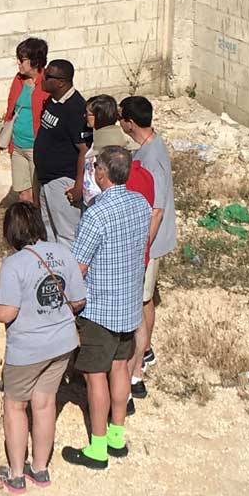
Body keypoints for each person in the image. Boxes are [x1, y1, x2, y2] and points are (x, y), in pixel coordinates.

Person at [0, 202, 85, 493]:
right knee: (44, 404)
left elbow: (6, 313)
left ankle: (16, 473)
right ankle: (40, 469)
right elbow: (78, 301)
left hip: (27, 348)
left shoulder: (14, 265)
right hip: (62, 343)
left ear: (10, 232)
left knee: (16, 406)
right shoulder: (63, 253)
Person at [62, 146, 151, 470]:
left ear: (102, 173)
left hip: (99, 309)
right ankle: (116, 436)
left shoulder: (96, 213)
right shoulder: (140, 204)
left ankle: (97, 449)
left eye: (95, 166)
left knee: (94, 375)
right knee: (119, 368)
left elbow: (79, 267)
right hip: (128, 305)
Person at [119, 96, 177, 404]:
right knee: (146, 301)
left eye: (121, 119)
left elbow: (156, 209)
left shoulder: (151, 157)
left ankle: (136, 371)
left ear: (129, 122)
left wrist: (141, 249)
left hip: (149, 242)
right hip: (151, 241)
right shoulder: (150, 147)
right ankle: (141, 360)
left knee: (141, 306)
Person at [33, 59, 88, 246]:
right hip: (46, 179)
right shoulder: (53, 101)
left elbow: (84, 150)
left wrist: (78, 187)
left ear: (61, 82)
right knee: (48, 232)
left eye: (48, 76)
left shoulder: (76, 108)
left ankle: (71, 274)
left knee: (67, 235)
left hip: (63, 182)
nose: (42, 79)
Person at [4, 38, 49, 204]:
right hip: (17, 146)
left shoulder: (48, 83)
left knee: (39, 195)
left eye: (22, 60)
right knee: (23, 195)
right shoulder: (18, 80)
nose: (18, 63)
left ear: (35, 61)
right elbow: (11, 108)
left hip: (36, 147)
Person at [81, 95, 131, 206]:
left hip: (101, 202)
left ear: (99, 116)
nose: (85, 116)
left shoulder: (109, 143)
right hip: (90, 201)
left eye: (88, 114)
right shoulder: (98, 136)